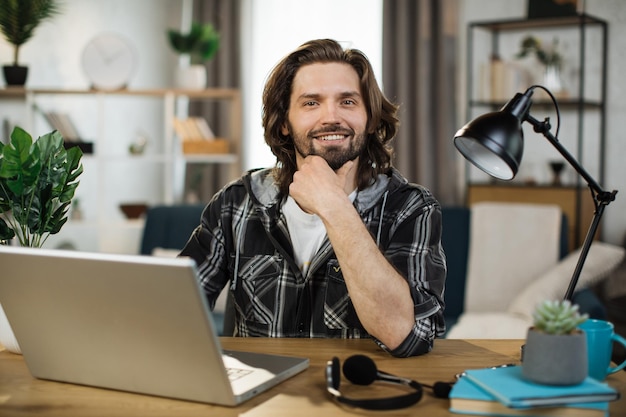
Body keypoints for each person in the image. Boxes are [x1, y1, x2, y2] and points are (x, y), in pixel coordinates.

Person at [180, 38, 446, 357]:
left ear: (371, 118)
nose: (331, 117)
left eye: (347, 101)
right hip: (263, 401)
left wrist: (335, 207)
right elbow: (174, 313)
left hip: (358, 400)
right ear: (283, 125)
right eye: (311, 103)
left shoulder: (411, 208)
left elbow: (409, 338)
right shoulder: (236, 203)